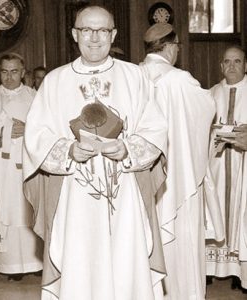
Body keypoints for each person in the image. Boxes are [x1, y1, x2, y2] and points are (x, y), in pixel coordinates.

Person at [23, 5, 168, 300]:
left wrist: (127, 148)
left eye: (102, 30)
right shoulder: (55, 81)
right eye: (86, 30)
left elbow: (156, 129)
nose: (94, 38)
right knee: (79, 264)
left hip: (125, 193)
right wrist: (69, 151)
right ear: (75, 34)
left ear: (113, 34)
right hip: (74, 197)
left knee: (127, 263)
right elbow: (36, 136)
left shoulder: (135, 77)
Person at [140, 23, 223, 300]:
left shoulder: (135, 75)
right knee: (183, 242)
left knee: (149, 239)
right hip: (180, 174)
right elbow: (207, 109)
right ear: (170, 46)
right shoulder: (180, 79)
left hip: (147, 175)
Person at [0, 52, 43, 281]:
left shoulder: (36, 97)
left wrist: (29, 130)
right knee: (5, 212)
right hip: (1, 167)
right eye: (4, 72)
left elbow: (48, 129)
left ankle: (35, 263)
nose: (9, 77)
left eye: (14, 71)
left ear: (23, 72)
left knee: (27, 211)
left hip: (27, 164)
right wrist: (1, 134)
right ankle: (10, 267)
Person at [205, 45, 247, 294]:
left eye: (237, 61)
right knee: (214, 209)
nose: (231, 66)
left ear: (245, 65)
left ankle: (240, 272)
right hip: (218, 165)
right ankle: (210, 267)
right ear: (221, 66)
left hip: (244, 167)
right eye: (227, 62)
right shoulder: (210, 94)